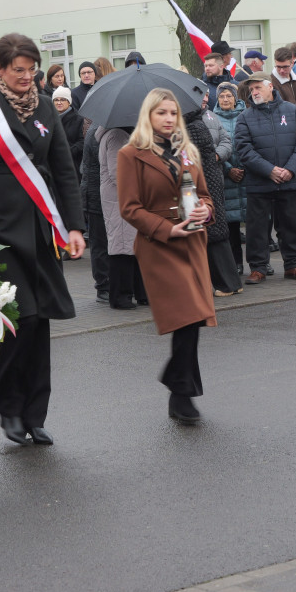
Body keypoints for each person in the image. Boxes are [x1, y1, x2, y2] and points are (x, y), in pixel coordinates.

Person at [0, 32, 86, 447]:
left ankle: (35, 413)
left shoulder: (46, 106)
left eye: (31, 69)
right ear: (0, 68)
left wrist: (74, 226)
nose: (27, 77)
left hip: (41, 225)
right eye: (18, 69)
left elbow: (63, 170)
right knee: (18, 318)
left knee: (40, 319)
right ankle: (10, 407)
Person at [117, 88, 215, 424]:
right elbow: (129, 208)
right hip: (160, 244)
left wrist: (205, 211)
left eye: (173, 113)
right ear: (148, 115)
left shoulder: (187, 151)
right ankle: (182, 393)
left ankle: (179, 389)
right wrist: (165, 229)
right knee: (188, 314)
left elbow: (204, 196)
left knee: (194, 317)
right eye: (162, 113)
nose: (169, 119)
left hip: (193, 241)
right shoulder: (130, 154)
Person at [234, 72, 296, 284]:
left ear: (270, 87)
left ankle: (293, 265)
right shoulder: (244, 117)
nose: (254, 92)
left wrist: (290, 169)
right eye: (251, 89)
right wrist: (269, 170)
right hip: (260, 183)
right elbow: (244, 149)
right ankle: (258, 268)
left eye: (258, 87)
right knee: (257, 229)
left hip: (289, 180)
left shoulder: (292, 111)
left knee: (292, 225)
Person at [185, 105, 242, 297]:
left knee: (213, 234)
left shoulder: (192, 127)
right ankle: (231, 282)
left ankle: (225, 284)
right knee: (217, 232)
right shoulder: (199, 122)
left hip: (204, 184)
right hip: (211, 181)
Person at [97, 124, 147, 309]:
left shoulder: (119, 134)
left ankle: (140, 292)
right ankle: (120, 296)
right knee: (122, 247)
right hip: (120, 199)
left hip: (123, 198)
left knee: (133, 246)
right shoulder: (117, 136)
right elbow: (118, 173)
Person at [213, 82, 246, 274]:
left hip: (247, 176)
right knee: (231, 225)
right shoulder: (212, 118)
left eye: (229, 96)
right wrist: (228, 169)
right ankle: (236, 263)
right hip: (226, 178)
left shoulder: (246, 115)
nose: (225, 99)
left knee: (258, 223)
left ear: (236, 97)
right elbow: (212, 148)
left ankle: (260, 262)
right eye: (222, 96)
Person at [79, 127, 109, 303]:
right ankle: (103, 285)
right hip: (95, 195)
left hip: (97, 194)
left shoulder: (100, 130)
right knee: (100, 243)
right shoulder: (98, 132)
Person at [52, 86, 84, 177]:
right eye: (56, 100)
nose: (59, 102)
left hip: (73, 165)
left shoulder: (78, 119)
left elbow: (82, 141)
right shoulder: (49, 119)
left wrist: (68, 152)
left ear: (69, 102)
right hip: (54, 165)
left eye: (62, 99)